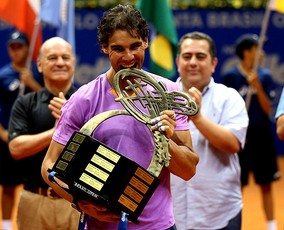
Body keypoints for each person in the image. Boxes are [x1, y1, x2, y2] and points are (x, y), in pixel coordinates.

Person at [41, 4, 199, 230]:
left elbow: (188, 170)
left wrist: (165, 139)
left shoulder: (168, 94)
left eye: (135, 46)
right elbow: (49, 164)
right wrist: (78, 202)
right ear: (105, 48)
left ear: (146, 41)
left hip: (158, 226)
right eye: (118, 49)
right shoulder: (83, 99)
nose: (129, 57)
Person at [170, 31, 248, 229]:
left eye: (201, 56)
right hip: (171, 214)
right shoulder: (161, 97)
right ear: (178, 62)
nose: (193, 62)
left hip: (220, 213)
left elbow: (232, 144)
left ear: (213, 64)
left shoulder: (229, 97)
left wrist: (196, 117)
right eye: (187, 57)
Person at [8, 37, 79, 230]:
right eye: (52, 57)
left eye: (65, 57)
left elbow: (103, 147)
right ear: (39, 65)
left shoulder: (87, 102)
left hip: (77, 202)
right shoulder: (25, 103)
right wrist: (57, 132)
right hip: (34, 200)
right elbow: (15, 148)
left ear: (73, 63)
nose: (60, 62)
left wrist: (72, 120)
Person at [0, 30, 43, 230]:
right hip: (10, 139)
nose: (16, 51)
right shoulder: (0, 76)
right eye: (12, 47)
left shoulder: (40, 72)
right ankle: (7, 226)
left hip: (35, 139)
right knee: (8, 186)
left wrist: (32, 84)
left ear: (28, 48)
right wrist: (1, 133)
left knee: (34, 186)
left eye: (20, 47)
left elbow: (50, 99)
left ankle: (32, 225)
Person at [221, 33, 280, 230]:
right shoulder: (230, 77)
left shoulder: (265, 76)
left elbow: (267, 109)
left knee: (266, 184)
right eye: (258, 49)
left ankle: (271, 227)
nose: (262, 53)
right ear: (247, 52)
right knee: (238, 186)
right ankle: (236, 225)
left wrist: (257, 87)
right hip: (240, 138)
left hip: (262, 137)